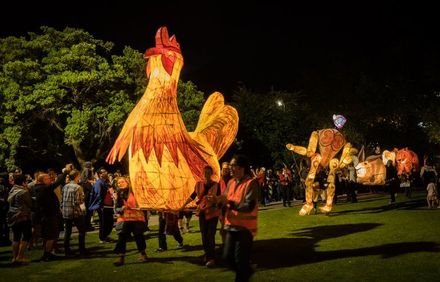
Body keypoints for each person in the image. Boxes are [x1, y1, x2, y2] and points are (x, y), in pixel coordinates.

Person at [219, 154, 259, 282]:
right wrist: (217, 201)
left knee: (241, 262)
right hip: (231, 226)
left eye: (233, 165)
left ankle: (244, 273)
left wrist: (230, 203)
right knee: (227, 258)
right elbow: (225, 199)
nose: (230, 168)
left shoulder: (251, 183)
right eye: (230, 165)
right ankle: (247, 271)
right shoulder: (230, 183)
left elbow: (249, 206)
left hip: (245, 229)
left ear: (242, 168)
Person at [181, 166, 221, 267]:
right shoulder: (198, 184)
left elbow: (220, 198)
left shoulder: (216, 185)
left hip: (212, 213)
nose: (207, 174)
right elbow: (193, 196)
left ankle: (211, 258)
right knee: (204, 236)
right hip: (202, 213)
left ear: (211, 174)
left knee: (210, 235)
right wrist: (183, 205)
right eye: (205, 172)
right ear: (203, 173)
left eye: (208, 172)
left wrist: (215, 200)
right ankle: (208, 255)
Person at [34, 164, 72, 261]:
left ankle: (48, 253)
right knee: (51, 235)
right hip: (49, 215)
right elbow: (58, 182)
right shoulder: (44, 188)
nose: (50, 179)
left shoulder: (39, 188)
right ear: (42, 180)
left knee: (48, 235)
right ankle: (47, 254)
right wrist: (66, 172)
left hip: (47, 215)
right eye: (47, 178)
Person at [113, 176, 148, 266]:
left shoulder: (135, 191)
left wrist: (141, 206)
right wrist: (121, 208)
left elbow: (144, 202)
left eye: (122, 182)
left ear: (127, 182)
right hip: (124, 219)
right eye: (118, 183)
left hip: (136, 218)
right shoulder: (119, 194)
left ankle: (143, 254)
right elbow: (116, 208)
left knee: (138, 236)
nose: (120, 184)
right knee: (121, 237)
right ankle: (121, 257)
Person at [61, 169, 88, 256]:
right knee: (81, 231)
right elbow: (78, 201)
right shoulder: (78, 187)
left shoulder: (65, 186)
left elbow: (63, 199)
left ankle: (67, 250)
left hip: (66, 212)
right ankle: (82, 249)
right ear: (77, 176)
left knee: (67, 232)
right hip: (76, 212)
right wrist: (83, 205)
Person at [7, 173, 32, 264]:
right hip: (23, 216)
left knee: (16, 237)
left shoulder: (12, 190)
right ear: (23, 182)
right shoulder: (23, 192)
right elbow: (30, 204)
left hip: (13, 216)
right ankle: (20, 256)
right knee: (26, 236)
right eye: (26, 182)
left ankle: (14, 257)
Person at [89, 168, 114, 243]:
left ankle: (105, 236)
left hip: (108, 205)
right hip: (103, 206)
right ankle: (102, 238)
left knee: (110, 222)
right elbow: (98, 195)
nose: (106, 172)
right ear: (100, 174)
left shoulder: (105, 182)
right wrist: (100, 205)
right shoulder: (99, 183)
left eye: (106, 171)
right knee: (104, 223)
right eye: (104, 172)